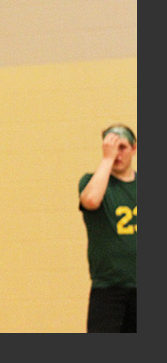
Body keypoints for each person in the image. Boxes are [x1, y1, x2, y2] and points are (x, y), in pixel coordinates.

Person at [78, 124, 137, 333]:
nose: (117, 154)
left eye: (122, 147)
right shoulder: (92, 182)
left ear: (134, 148)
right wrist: (107, 159)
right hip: (108, 288)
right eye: (111, 148)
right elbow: (91, 200)